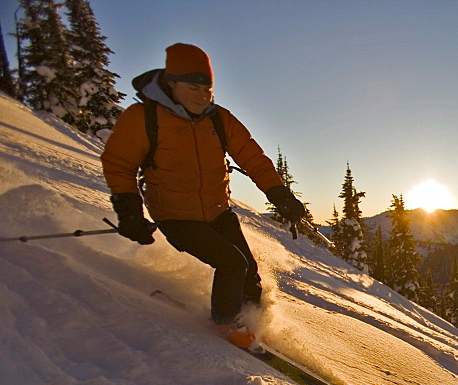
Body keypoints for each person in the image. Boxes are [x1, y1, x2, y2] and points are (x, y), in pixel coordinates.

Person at [101, 43, 306, 348]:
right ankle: (226, 323)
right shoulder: (144, 118)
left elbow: (253, 158)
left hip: (217, 211)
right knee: (232, 264)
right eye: (193, 87)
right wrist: (130, 211)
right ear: (171, 83)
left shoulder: (219, 119)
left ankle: (253, 325)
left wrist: (281, 196)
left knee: (249, 273)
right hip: (175, 215)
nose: (202, 95)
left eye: (207, 88)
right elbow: (119, 164)